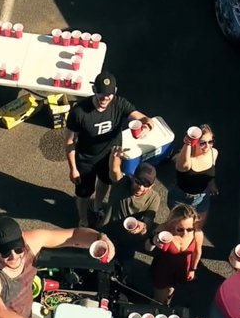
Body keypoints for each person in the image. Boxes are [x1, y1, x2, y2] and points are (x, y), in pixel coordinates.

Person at [66, 71, 154, 227]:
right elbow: (69, 142)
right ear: (94, 90)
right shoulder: (79, 112)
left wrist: (146, 126)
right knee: (84, 193)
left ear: (115, 92)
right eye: (101, 93)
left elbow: (143, 118)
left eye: (109, 95)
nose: (105, 98)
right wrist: (73, 168)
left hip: (110, 157)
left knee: (105, 182)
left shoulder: (119, 104)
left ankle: (97, 206)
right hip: (86, 160)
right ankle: (83, 218)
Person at [94, 151, 164, 280]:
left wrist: (142, 226)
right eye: (138, 182)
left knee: (124, 268)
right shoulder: (121, 184)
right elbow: (114, 170)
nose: (141, 188)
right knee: (98, 264)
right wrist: (114, 157)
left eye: (146, 185)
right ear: (132, 178)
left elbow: (148, 219)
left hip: (129, 241)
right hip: (107, 232)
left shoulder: (154, 198)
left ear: (153, 185)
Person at [147, 204, 203, 304]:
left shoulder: (197, 234)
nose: (185, 234)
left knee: (170, 292)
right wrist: (153, 241)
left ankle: (166, 305)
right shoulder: (163, 229)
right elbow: (147, 248)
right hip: (163, 269)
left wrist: (192, 269)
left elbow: (197, 251)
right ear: (172, 224)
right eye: (180, 229)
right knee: (158, 299)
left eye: (189, 229)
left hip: (182, 269)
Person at [170, 124, 219, 229]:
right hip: (181, 196)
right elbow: (184, 164)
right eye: (202, 143)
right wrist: (187, 144)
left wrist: (212, 183)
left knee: (197, 228)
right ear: (195, 143)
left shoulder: (213, 153)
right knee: (178, 227)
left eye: (210, 142)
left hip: (201, 196)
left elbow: (211, 170)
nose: (207, 146)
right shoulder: (187, 162)